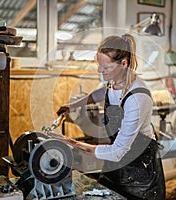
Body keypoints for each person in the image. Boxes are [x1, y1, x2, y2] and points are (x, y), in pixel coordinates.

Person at [54, 33, 166, 199]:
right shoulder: (114, 82)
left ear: (124, 63)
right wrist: (73, 106)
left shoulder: (137, 97)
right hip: (117, 163)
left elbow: (117, 152)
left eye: (105, 67)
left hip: (141, 173)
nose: (100, 70)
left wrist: (72, 143)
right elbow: (101, 93)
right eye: (99, 64)